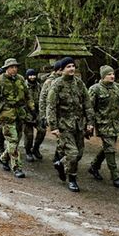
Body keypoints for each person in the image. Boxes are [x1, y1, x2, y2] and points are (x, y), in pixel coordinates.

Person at [47, 57, 94, 192]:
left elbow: (87, 104)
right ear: (62, 70)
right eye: (68, 66)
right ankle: (72, 179)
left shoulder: (79, 84)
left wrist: (90, 123)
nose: (72, 69)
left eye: (73, 66)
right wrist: (53, 126)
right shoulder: (56, 85)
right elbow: (51, 107)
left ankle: (60, 163)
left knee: (79, 154)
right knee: (72, 154)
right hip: (64, 126)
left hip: (78, 125)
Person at [0, 58, 34, 178]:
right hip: (6, 114)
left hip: (19, 113)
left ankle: (3, 157)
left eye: (16, 67)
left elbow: (28, 96)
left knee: (16, 141)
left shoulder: (21, 79)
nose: (14, 69)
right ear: (6, 69)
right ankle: (17, 167)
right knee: (12, 140)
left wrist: (32, 109)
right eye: (12, 67)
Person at [87, 65, 119, 188]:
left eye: (113, 74)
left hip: (115, 124)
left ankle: (94, 166)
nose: (112, 76)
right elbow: (89, 108)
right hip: (103, 124)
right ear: (102, 76)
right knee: (110, 149)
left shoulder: (118, 88)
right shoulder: (95, 89)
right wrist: (89, 124)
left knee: (107, 148)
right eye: (109, 74)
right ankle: (115, 177)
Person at [39, 60, 63, 162]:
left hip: (64, 114)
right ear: (58, 70)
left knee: (63, 140)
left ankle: (58, 159)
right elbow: (43, 99)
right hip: (55, 115)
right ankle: (59, 160)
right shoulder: (49, 82)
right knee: (61, 139)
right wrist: (43, 116)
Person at [23, 68, 46, 162]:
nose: (32, 77)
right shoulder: (23, 86)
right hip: (26, 113)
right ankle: (28, 151)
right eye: (30, 75)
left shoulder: (38, 86)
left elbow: (42, 99)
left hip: (37, 113)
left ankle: (36, 148)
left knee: (42, 131)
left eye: (33, 75)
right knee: (29, 135)